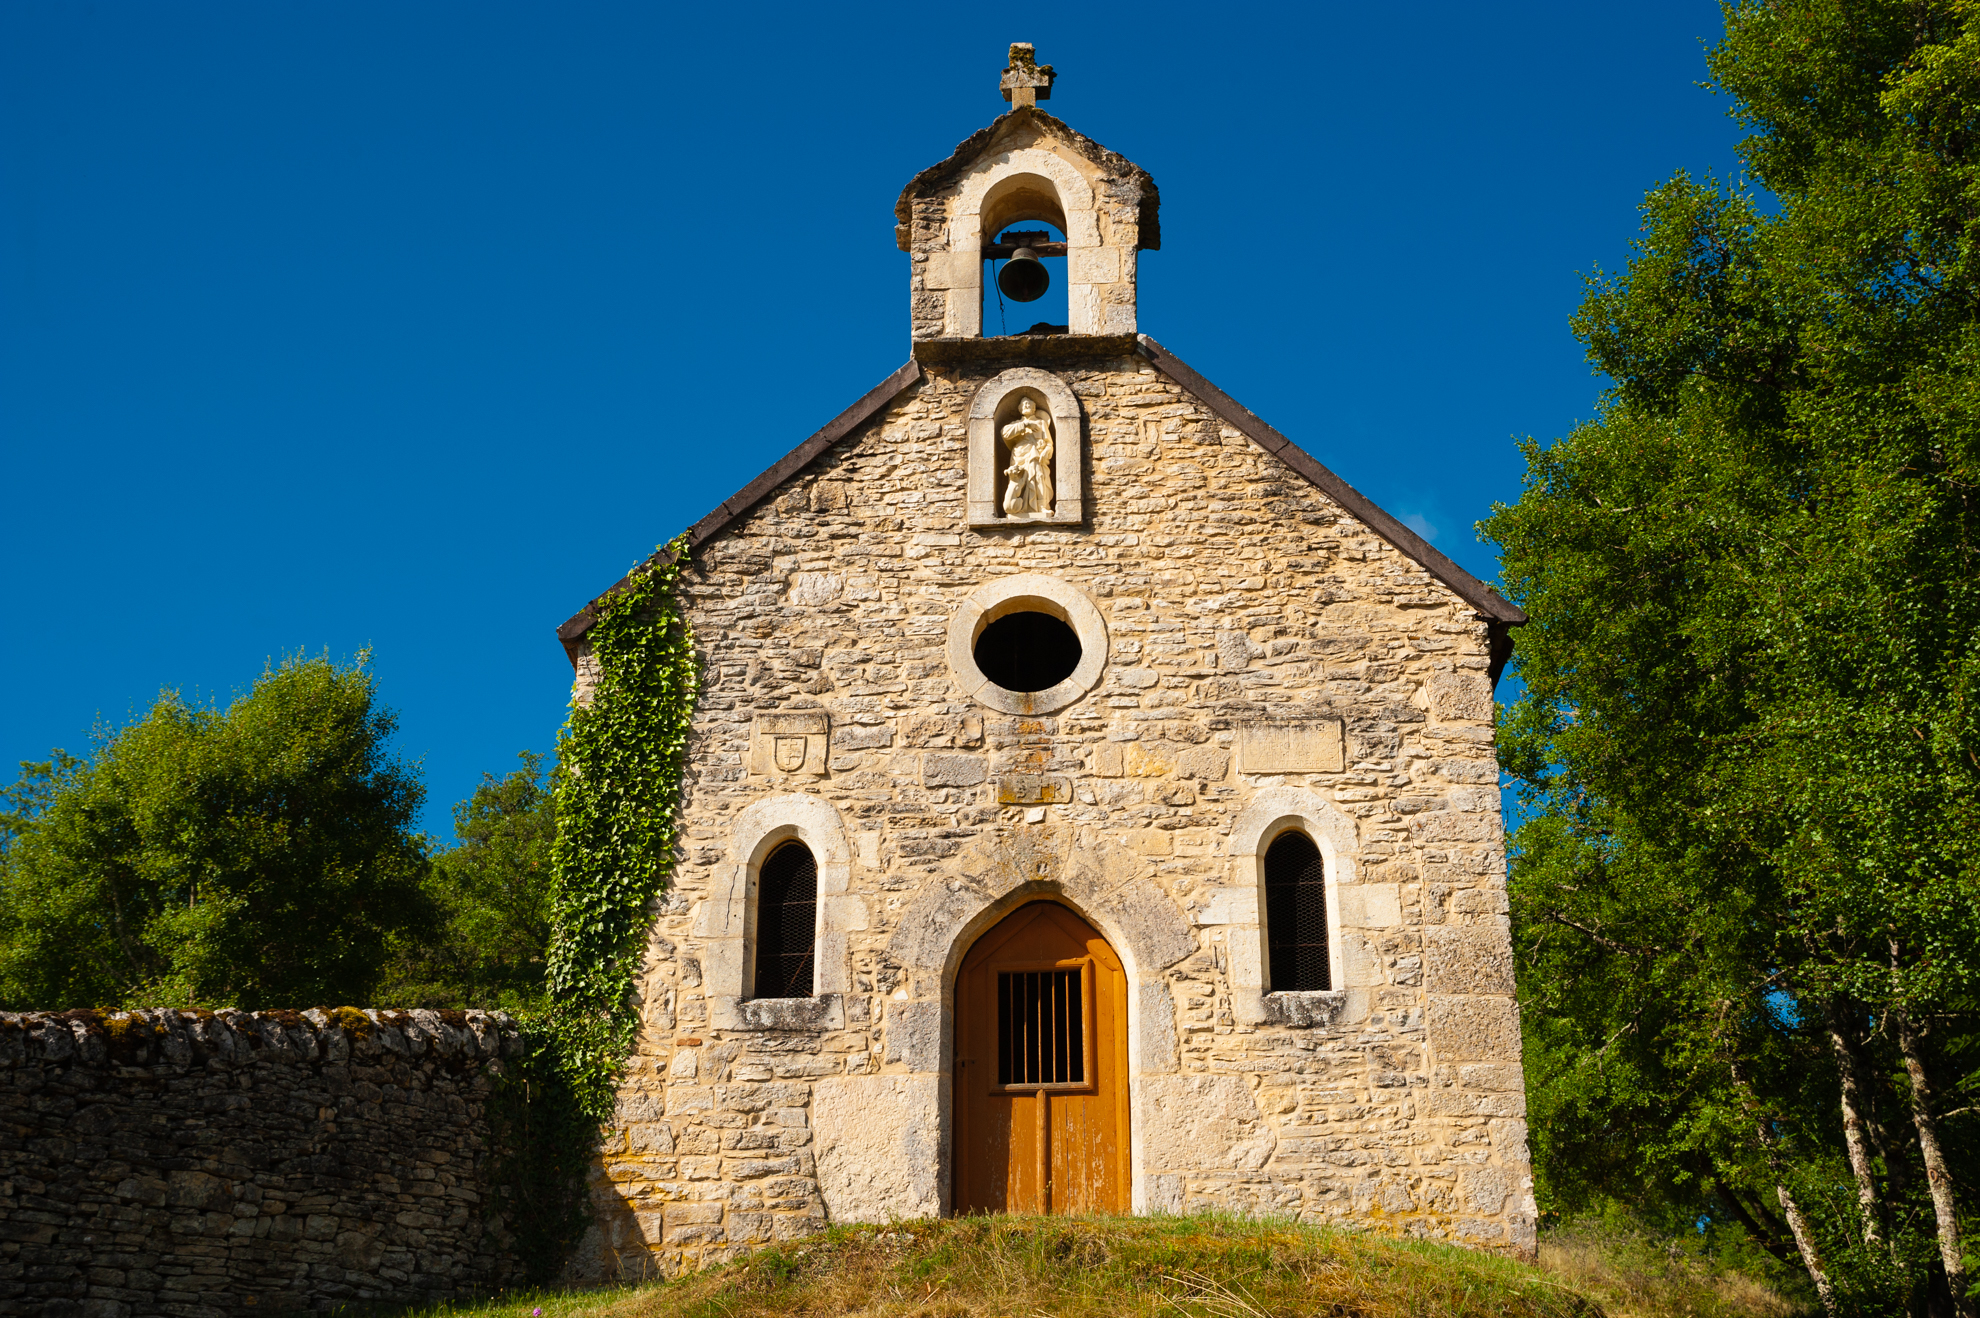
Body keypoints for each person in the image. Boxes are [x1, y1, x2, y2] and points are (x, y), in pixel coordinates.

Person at [1001, 397, 1055, 517]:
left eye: (1029, 404)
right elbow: (1005, 433)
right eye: (1023, 404)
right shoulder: (1016, 424)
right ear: (1020, 409)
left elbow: (1049, 442)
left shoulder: (1041, 423)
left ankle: (1041, 507)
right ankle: (1018, 507)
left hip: (1036, 454)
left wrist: (1046, 450)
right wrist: (1025, 425)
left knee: (1039, 478)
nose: (1026, 405)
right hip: (1020, 455)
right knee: (1019, 479)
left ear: (1034, 408)